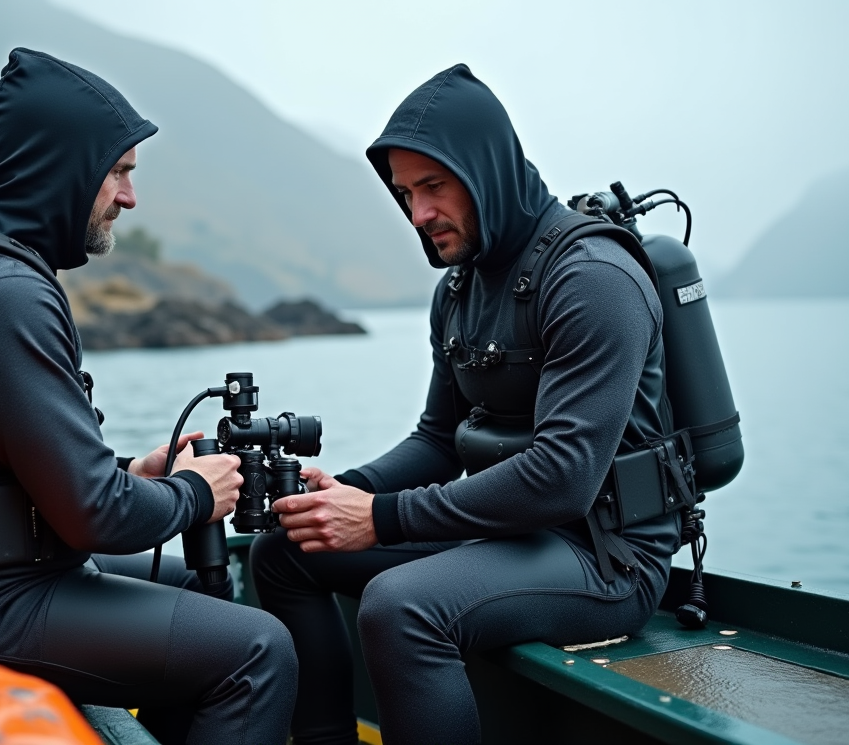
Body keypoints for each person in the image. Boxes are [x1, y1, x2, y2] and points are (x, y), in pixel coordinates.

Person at [250, 64, 681, 745]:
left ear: (485, 171)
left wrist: (382, 519)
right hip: (504, 532)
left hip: (605, 557)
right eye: (405, 193)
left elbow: (565, 478)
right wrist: (343, 495)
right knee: (282, 551)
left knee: (401, 608)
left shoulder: (592, 279)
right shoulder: (458, 289)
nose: (419, 214)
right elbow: (438, 440)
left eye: (433, 187)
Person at [0, 47, 297, 745]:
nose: (130, 198)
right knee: (259, 651)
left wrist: (138, 475)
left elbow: (28, 472)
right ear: (62, 167)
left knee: (202, 594)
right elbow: (97, 517)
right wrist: (197, 493)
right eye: (121, 173)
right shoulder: (0, 294)